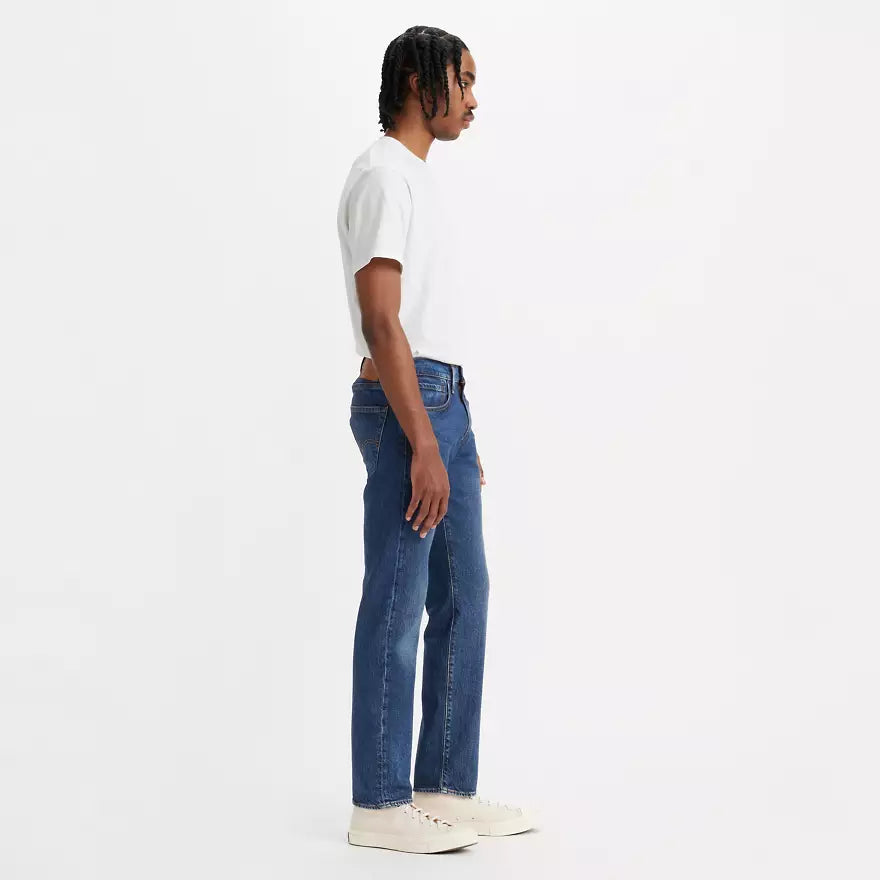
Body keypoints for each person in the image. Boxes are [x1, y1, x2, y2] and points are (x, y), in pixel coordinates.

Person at [335, 27, 536, 854]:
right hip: (406, 404)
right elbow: (382, 321)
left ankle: (442, 788)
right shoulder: (383, 173)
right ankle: (379, 803)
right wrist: (422, 439)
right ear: (423, 84)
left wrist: (456, 433)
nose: (475, 100)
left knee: (464, 593)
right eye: (466, 81)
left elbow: (424, 318)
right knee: (397, 593)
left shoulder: (415, 177)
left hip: (442, 401)